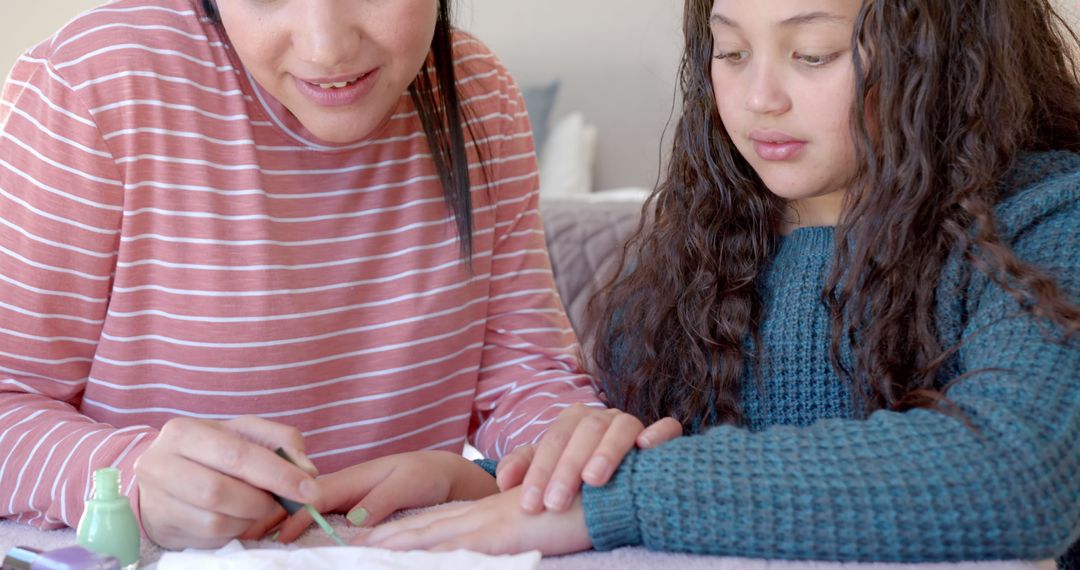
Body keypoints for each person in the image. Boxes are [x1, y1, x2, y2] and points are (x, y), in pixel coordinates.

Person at [355, 0, 1080, 564]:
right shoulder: (700, 251)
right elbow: (645, 467)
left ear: (945, 54)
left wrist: (619, 501)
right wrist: (489, 483)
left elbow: (1020, 471)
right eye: (729, 51)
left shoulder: (1049, 217)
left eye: (812, 54)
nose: (759, 96)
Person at [0, 0, 674, 550]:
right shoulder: (93, 83)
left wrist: (570, 441)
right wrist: (125, 476)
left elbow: (522, 379)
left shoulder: (478, 96)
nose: (325, 47)